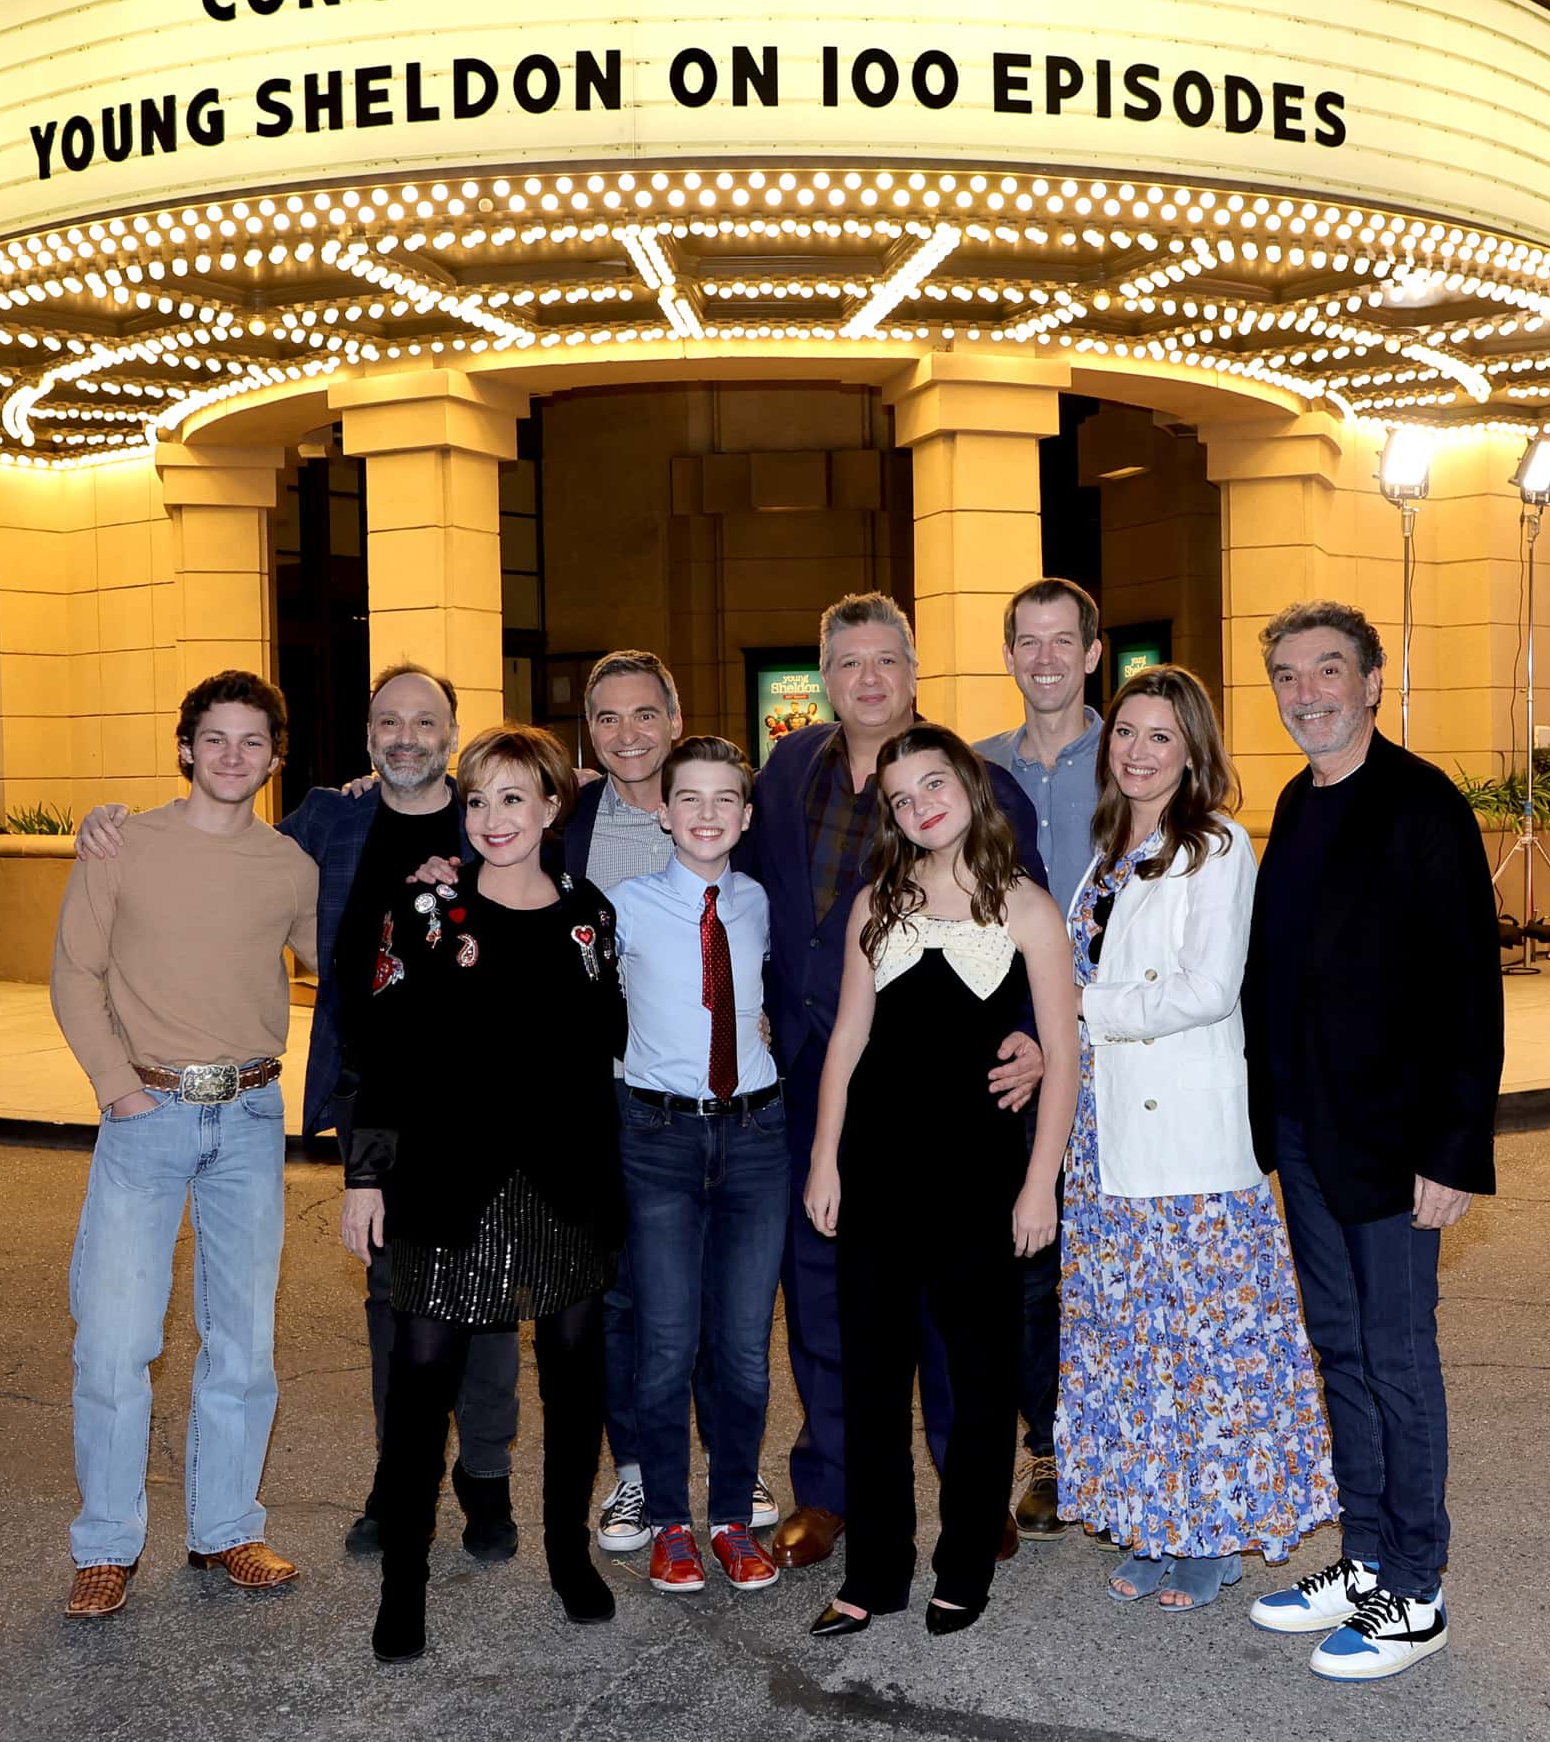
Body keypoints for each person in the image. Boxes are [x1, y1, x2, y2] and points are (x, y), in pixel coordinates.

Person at [78, 664, 525, 1560]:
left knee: (485, 1298)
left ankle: (485, 1481)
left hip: (480, 1096)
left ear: (453, 730)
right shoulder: (328, 820)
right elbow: (225, 859)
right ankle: (399, 1485)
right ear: (367, 738)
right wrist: (109, 826)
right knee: (393, 1303)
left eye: (424, 720)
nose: (406, 736)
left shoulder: (488, 819)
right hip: (373, 1095)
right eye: (387, 721)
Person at [743, 592, 1048, 1571]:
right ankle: (831, 1489)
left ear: (913, 672)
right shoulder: (788, 768)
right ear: (824, 679)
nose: (868, 678)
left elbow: (1031, 922)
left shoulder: (978, 782)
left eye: (886, 659)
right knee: (827, 1292)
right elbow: (745, 884)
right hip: (818, 1079)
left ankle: (972, 1485)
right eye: (848, 662)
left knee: (956, 1302)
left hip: (953, 1090)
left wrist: (1037, 1038)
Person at [1240, 601, 1501, 1681]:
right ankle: (1367, 1555)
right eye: (1290, 675)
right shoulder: (1297, 803)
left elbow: (1467, 993)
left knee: (1397, 1355)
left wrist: (1452, 1150)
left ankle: (1419, 1585)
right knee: (1338, 1350)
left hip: (1396, 1142)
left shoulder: (1423, 804)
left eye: (1329, 670)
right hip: (1307, 1130)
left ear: (1374, 680)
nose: (1308, 692)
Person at [340, 723, 625, 1665]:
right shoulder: (426, 906)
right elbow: (380, 1051)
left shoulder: (590, 914)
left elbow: (604, 1044)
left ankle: (566, 1552)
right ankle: (405, 1581)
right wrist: (366, 1173)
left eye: (514, 799)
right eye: (478, 800)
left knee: (576, 1375)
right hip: (445, 1179)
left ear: (552, 807)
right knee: (421, 1382)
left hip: (565, 1180)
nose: (493, 819)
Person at [1056, 665, 1338, 1612]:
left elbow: (1210, 988)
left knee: (1205, 1346)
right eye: (1126, 732)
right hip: (1103, 1136)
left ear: (1193, 752)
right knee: (1132, 1342)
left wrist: (1082, 1004)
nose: (1137, 751)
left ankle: (1211, 1531)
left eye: (1159, 737)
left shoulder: (1215, 846)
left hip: (1181, 1134)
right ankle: (1154, 1520)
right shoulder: (1109, 848)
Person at [48, 670, 319, 1620]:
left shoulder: (289, 865)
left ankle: (226, 1531)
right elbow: (75, 972)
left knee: (242, 1341)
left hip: (249, 1115)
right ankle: (107, 1546)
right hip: (146, 1114)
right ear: (186, 747)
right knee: (116, 1343)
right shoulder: (125, 843)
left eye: (253, 741)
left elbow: (354, 960)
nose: (233, 756)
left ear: (274, 758)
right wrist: (117, 1088)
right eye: (215, 738)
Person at [799, 724, 1077, 1638]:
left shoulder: (1028, 906)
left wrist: (1040, 1184)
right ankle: (874, 1572)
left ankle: (963, 1567)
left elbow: (1065, 1060)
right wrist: (824, 1159)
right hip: (876, 1173)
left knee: (980, 1376)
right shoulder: (876, 901)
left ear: (968, 781)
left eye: (933, 783)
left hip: (980, 1179)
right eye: (901, 797)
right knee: (873, 1378)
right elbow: (846, 1040)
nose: (920, 805)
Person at [609, 735, 785, 1600]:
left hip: (757, 1136)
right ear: (665, 811)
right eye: (691, 798)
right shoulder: (625, 907)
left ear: (746, 817)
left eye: (725, 799)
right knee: (667, 1340)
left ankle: (728, 1519)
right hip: (658, 1137)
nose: (708, 812)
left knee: (746, 1349)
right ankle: (669, 1520)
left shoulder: (759, 902)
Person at [973, 576, 1108, 1540]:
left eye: (1065, 641)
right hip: (1015, 1052)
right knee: (1031, 1261)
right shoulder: (972, 770)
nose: (1047, 658)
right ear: (1010, 653)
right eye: (1029, 641)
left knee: (1124, 1259)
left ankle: (1130, 1445)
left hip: (1130, 1047)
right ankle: (1050, 1448)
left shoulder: (1140, 750)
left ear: (1093, 654)